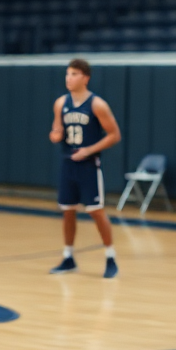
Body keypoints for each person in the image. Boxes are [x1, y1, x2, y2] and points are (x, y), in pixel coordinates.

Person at [48, 59, 121, 278]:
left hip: (88, 165)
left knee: (96, 212)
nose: (68, 78)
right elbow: (55, 131)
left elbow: (114, 135)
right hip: (68, 163)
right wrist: (55, 135)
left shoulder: (97, 104)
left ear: (85, 78)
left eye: (74, 74)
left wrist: (88, 150)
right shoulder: (60, 103)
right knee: (67, 211)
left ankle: (110, 257)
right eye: (67, 74)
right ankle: (68, 257)